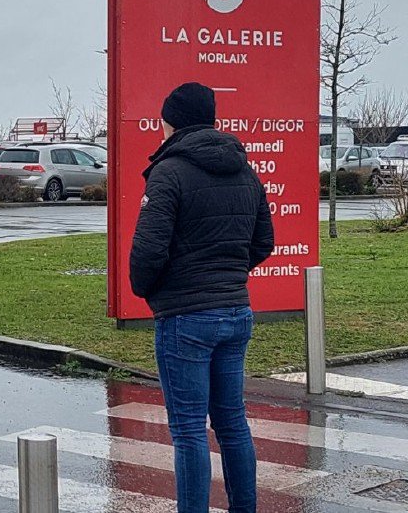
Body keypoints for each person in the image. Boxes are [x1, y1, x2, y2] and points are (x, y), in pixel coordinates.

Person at [130, 82, 275, 513]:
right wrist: (229, 274)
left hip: (185, 317)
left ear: (170, 121)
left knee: (190, 429)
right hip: (235, 311)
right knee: (232, 422)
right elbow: (263, 241)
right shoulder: (244, 169)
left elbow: (147, 253)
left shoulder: (169, 172)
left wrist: (152, 289)